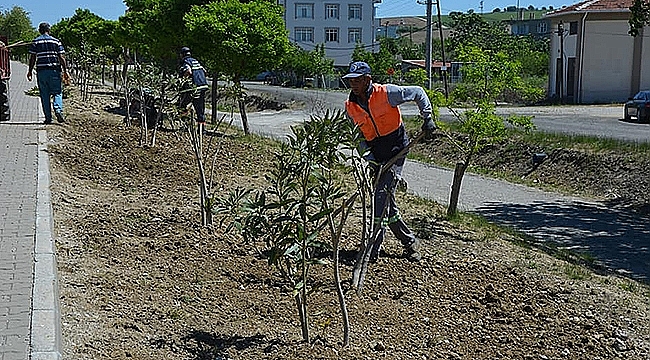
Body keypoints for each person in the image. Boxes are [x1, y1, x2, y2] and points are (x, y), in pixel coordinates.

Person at [343, 61, 436, 263]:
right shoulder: (350, 106)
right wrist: (369, 159)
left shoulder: (387, 93)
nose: (354, 85)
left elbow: (418, 92)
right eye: (351, 81)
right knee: (387, 204)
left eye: (358, 80)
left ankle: (372, 250)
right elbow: (357, 137)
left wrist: (427, 118)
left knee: (380, 197)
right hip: (376, 156)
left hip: (397, 150)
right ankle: (410, 242)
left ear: (368, 79)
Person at [27, 22, 68, 124]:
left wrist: (30, 71)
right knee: (57, 92)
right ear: (49, 30)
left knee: (44, 95)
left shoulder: (36, 42)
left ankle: (48, 118)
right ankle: (58, 110)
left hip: (41, 72)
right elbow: (61, 57)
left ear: (39, 31)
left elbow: (32, 58)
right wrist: (65, 71)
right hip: (54, 71)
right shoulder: (56, 42)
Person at [178, 46, 209, 124]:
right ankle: (201, 129)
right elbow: (205, 72)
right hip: (203, 86)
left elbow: (188, 71)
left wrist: (183, 81)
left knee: (182, 104)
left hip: (194, 88)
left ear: (181, 55)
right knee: (200, 108)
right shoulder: (195, 61)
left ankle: (184, 124)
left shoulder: (186, 62)